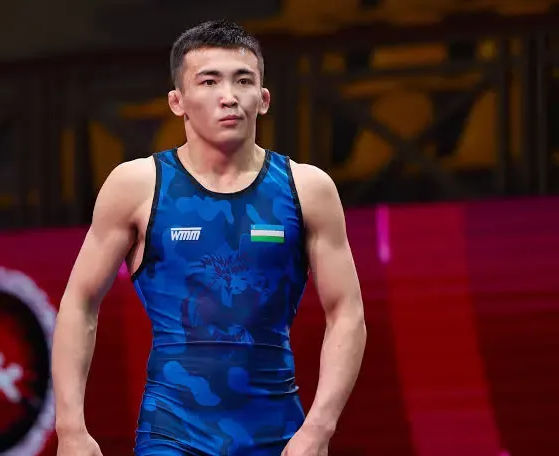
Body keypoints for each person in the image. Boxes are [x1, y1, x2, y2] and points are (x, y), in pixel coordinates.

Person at [52, 19, 367, 456]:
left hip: (278, 436)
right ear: (177, 101)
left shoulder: (307, 189)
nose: (229, 96)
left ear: (264, 99)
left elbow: (347, 311)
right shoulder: (138, 186)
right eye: (209, 81)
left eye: (244, 81)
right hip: (171, 435)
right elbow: (79, 302)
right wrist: (70, 429)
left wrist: (319, 429)